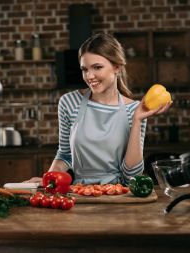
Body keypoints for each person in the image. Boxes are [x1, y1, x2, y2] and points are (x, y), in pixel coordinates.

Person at [30, 33, 171, 185]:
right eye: (84, 69)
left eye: (97, 67)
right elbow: (65, 154)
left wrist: (137, 120)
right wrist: (49, 179)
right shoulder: (69, 102)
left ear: (117, 67)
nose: (90, 76)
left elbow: (131, 176)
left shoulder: (134, 110)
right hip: (80, 194)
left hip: (118, 195)